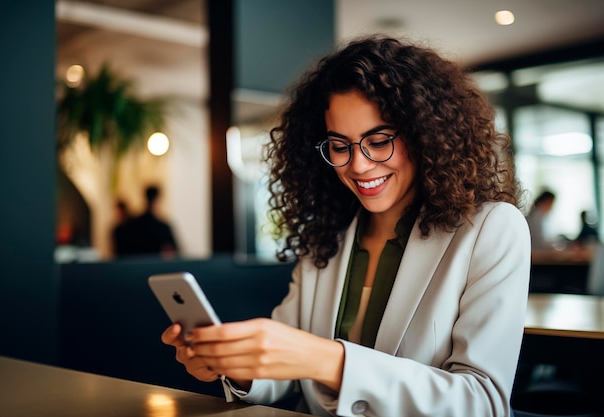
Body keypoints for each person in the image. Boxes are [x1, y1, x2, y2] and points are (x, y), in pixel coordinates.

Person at [161, 35, 530, 416]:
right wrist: (237, 369)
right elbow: (287, 369)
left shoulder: (491, 229)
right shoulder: (326, 237)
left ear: (426, 136)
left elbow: (482, 403)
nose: (358, 165)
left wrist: (328, 361)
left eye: (379, 140)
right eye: (340, 145)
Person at [113, 186, 178, 258]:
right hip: (156, 268)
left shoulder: (128, 226)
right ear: (157, 200)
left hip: (130, 268)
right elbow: (175, 254)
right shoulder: (163, 228)